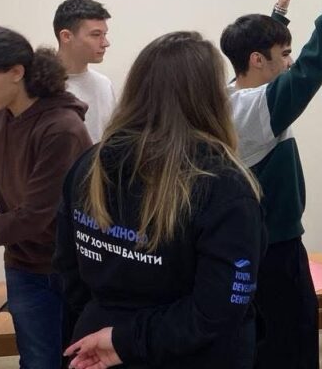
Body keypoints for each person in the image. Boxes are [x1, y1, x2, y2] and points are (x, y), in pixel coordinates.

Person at [56, 31, 265, 369]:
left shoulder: (88, 164)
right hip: (183, 354)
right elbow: (219, 311)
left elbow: (67, 272)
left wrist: (115, 331)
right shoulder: (222, 185)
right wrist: (124, 339)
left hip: (98, 345)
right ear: (212, 98)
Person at [219, 0, 322, 368]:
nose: (291, 61)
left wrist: (277, 14)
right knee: (289, 345)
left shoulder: (229, 95)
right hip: (274, 252)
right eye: (283, 54)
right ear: (258, 60)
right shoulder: (258, 110)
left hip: (253, 247)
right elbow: (314, 64)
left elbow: (265, 65)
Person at [0, 26, 91, 368]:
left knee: (76, 361)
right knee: (37, 362)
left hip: (73, 270)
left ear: (16, 72)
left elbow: (32, 218)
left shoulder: (61, 129)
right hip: (24, 266)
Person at [54, 0, 115, 143]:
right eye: (96, 35)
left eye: (104, 35)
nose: (105, 43)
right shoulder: (38, 87)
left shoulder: (104, 85)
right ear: (66, 36)